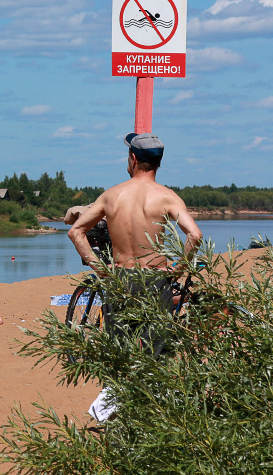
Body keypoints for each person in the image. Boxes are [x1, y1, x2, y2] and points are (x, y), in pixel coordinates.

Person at [66, 132, 203, 354]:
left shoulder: (111, 195)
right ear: (159, 162)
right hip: (154, 279)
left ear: (133, 158)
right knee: (155, 356)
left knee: (121, 354)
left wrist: (100, 269)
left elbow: (75, 231)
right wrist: (177, 270)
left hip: (120, 279)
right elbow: (195, 235)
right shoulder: (167, 197)